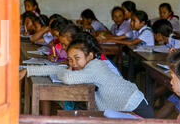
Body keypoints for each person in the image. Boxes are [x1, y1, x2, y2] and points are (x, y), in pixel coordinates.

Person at [20, 36, 154, 117]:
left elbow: (67, 77)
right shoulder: (86, 66)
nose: (73, 63)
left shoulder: (95, 66)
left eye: (77, 58)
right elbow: (59, 69)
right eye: (70, 59)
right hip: (120, 111)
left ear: (89, 55)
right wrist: (28, 70)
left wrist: (66, 71)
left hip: (135, 109)